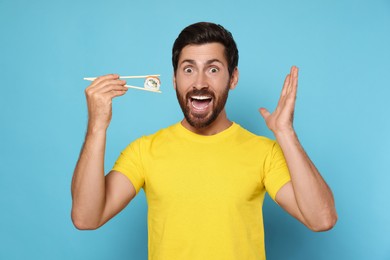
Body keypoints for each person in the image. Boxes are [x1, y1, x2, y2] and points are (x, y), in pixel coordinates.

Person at [71, 22, 337, 260]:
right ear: (175, 79)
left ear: (232, 78)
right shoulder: (144, 151)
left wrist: (285, 133)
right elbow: (86, 218)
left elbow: (322, 219)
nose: (199, 82)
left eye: (212, 69)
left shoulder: (263, 152)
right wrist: (97, 126)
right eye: (188, 69)